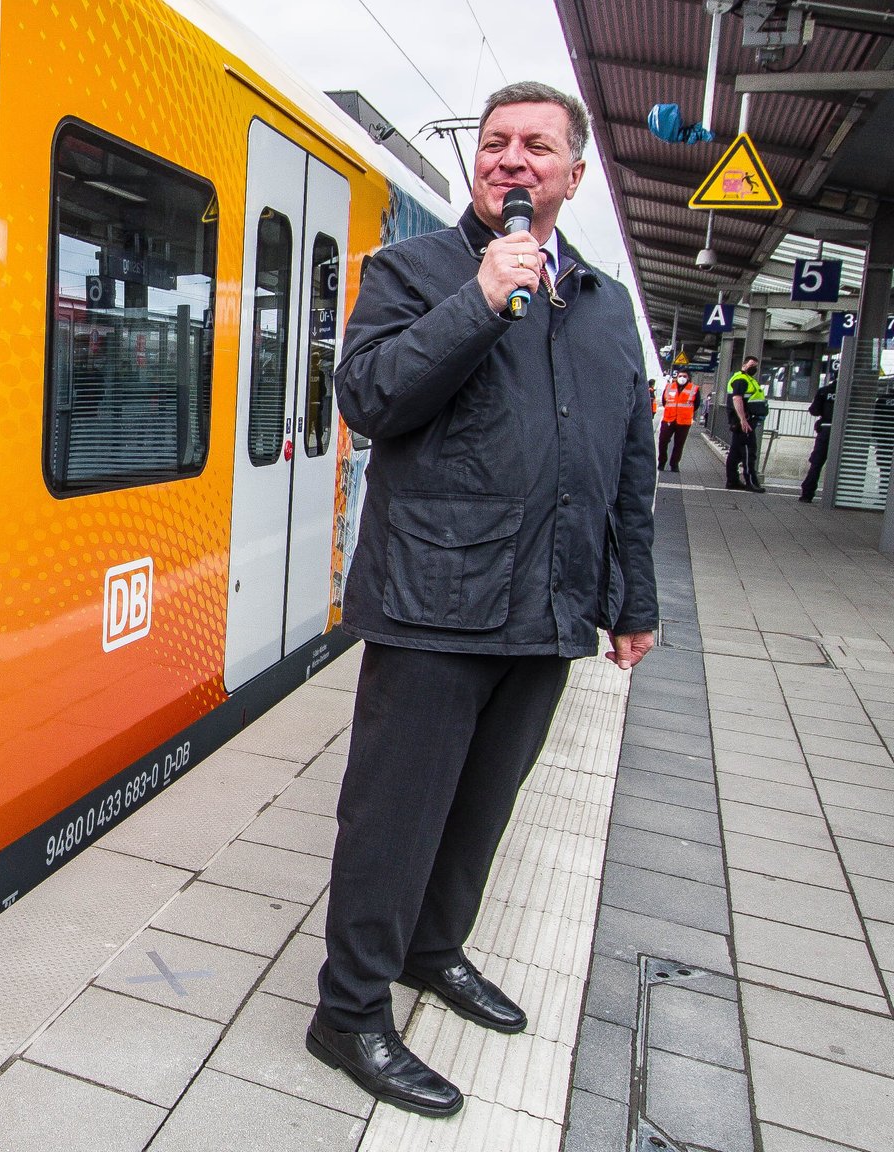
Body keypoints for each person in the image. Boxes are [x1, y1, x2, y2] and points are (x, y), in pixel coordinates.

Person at [317, 80, 656, 1119]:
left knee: (480, 808)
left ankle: (431, 949)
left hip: (547, 608)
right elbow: (369, 399)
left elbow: (626, 461)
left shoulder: (601, 307)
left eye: (535, 147)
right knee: (394, 817)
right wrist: (477, 300)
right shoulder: (415, 272)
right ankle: (347, 1012)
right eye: (496, 143)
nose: (511, 160)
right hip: (431, 604)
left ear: (571, 171)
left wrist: (628, 599)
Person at [724, 356, 767, 492]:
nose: (754, 367)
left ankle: (732, 481)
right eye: (751, 364)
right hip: (744, 423)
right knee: (749, 452)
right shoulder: (741, 379)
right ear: (744, 365)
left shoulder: (746, 379)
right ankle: (751, 482)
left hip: (742, 422)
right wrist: (743, 419)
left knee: (735, 454)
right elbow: (737, 398)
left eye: (756, 365)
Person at [799, 376, 835, 502]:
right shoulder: (852, 392)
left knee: (816, 463)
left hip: (825, 429)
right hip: (843, 434)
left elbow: (814, 410)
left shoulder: (824, 391)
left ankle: (807, 494)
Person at [658, 370, 698, 472]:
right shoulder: (669, 387)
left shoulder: (694, 389)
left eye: (684, 376)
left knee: (679, 444)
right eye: (680, 376)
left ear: (688, 378)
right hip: (668, 419)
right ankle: (661, 462)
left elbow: (696, 405)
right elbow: (664, 401)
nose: (682, 378)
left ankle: (674, 464)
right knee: (663, 441)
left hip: (684, 421)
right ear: (677, 377)